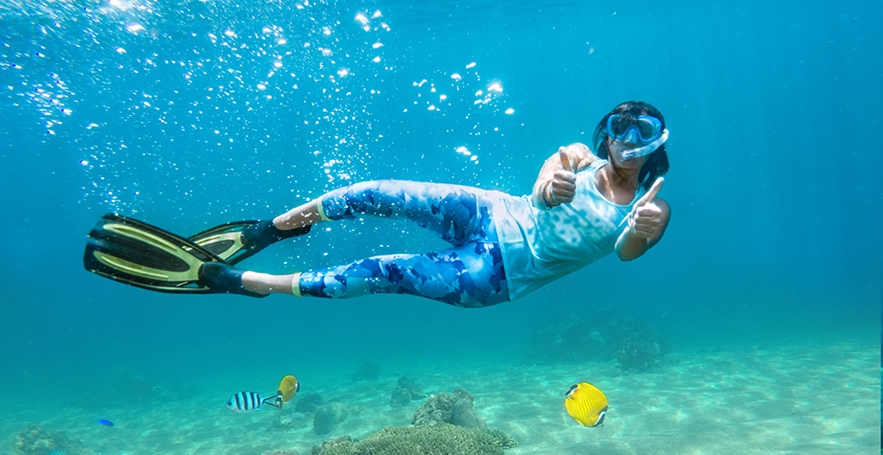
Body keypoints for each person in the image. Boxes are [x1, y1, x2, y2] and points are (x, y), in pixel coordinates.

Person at [84, 101, 670, 307]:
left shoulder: (651, 208)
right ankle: (273, 228)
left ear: (656, 144)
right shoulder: (575, 156)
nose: (626, 139)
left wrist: (641, 229)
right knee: (374, 191)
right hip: (493, 212)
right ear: (605, 132)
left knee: (380, 272)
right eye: (619, 127)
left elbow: (626, 254)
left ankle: (250, 282)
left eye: (641, 132)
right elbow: (543, 189)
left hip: (499, 276)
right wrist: (552, 188)